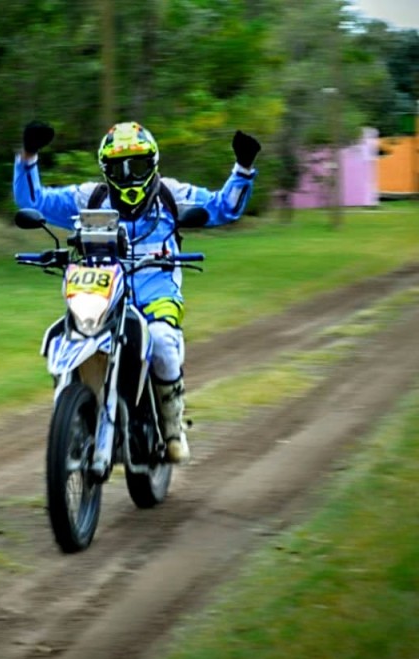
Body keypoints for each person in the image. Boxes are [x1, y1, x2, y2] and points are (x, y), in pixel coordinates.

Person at [14, 120, 261, 464]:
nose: (129, 176)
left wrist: (243, 167)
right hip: (102, 294)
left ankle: (173, 428)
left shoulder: (172, 195)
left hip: (158, 293)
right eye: (119, 167)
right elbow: (35, 201)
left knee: (161, 341)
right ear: (106, 170)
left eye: (139, 165)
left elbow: (223, 206)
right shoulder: (90, 198)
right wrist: (28, 155)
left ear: (154, 164)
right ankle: (76, 417)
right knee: (67, 334)